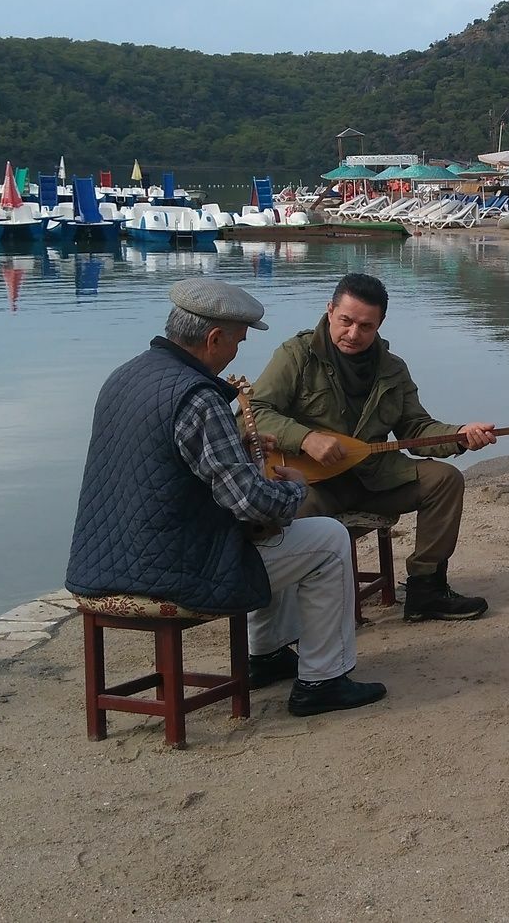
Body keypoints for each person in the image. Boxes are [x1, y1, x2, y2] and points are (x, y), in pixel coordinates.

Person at [66, 279, 386, 718]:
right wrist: (294, 486)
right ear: (213, 338)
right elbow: (250, 503)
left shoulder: (125, 376)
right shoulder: (198, 397)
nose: (237, 352)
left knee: (285, 539)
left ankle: (269, 653)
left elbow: (166, 467)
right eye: (237, 341)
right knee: (325, 539)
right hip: (171, 570)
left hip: (101, 561)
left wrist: (241, 450)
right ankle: (324, 680)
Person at [251, 272, 495, 621]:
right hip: (314, 483)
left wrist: (459, 435)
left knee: (445, 479)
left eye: (366, 326)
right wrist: (306, 438)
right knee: (291, 512)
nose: (353, 334)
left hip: (374, 480)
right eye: (345, 321)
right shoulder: (296, 355)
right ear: (330, 310)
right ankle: (292, 612)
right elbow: (254, 414)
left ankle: (427, 589)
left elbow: (416, 427)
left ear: (380, 323)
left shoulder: (393, 370)